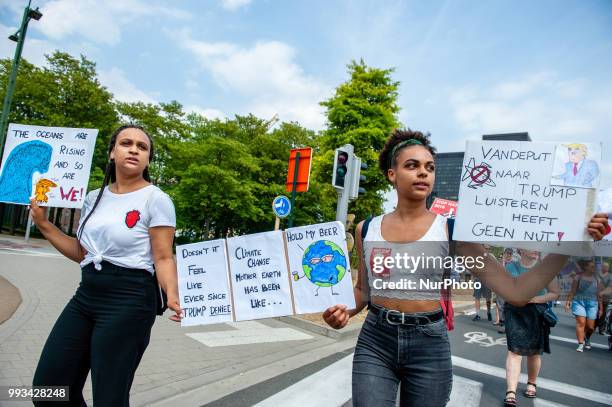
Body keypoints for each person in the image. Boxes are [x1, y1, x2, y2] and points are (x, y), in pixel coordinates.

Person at [321, 129, 609, 407]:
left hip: (428, 345)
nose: (424, 172)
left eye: (430, 167)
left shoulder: (451, 230)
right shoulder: (366, 228)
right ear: (392, 174)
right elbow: (363, 291)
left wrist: (568, 245)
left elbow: (516, 291)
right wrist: (345, 310)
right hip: (375, 341)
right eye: (412, 165)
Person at [30, 125, 183, 406]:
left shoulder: (157, 200)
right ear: (112, 152)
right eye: (126, 143)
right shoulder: (92, 197)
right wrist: (43, 224)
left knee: (109, 398)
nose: (134, 149)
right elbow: (83, 253)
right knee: (47, 389)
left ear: (148, 159)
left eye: (142, 146)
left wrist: (172, 295)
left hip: (130, 300)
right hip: (86, 296)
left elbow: (163, 256)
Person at [503, 249, 560, 407]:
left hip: (536, 312)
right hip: (514, 311)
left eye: (538, 246)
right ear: (521, 249)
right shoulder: (510, 267)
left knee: (534, 353)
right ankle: (511, 391)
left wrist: (535, 299)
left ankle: (532, 382)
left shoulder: (545, 268)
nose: (536, 249)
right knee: (514, 351)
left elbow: (555, 293)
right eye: (531, 245)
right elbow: (506, 289)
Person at [565, 258, 603, 351]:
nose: (594, 268)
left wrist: (601, 308)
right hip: (579, 302)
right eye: (592, 267)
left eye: (594, 267)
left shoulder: (597, 279)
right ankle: (581, 344)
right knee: (581, 323)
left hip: (593, 304)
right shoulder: (578, 277)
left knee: (590, 327)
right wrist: (568, 302)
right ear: (586, 267)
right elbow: (573, 291)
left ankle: (587, 337)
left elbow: (599, 294)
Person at [494, 248, 513, 333]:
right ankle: (503, 325)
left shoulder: (514, 264)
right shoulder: (499, 263)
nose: (508, 255)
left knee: (510, 307)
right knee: (501, 306)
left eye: (510, 254)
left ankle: (510, 325)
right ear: (504, 254)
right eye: (507, 254)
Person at [472, 245, 493, 321]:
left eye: (489, 249)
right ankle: (477, 314)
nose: (487, 250)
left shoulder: (492, 257)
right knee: (477, 297)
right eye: (486, 248)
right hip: (478, 279)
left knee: (488, 298)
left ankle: (489, 312)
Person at [596, 261, 611, 335]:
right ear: (601, 267)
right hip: (595, 297)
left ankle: (601, 329)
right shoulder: (596, 274)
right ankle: (592, 326)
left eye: (607, 267)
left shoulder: (610, 276)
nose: (606, 268)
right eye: (604, 266)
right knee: (594, 312)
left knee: (603, 313)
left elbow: (610, 287)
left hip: (605, 298)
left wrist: (602, 292)